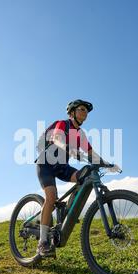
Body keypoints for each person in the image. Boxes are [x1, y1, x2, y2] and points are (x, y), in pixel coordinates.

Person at [35, 99, 120, 257]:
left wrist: (108, 164)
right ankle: (42, 243)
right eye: (82, 109)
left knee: (86, 174)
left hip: (62, 167)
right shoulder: (62, 124)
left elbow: (91, 154)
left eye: (86, 111)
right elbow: (57, 139)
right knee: (51, 196)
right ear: (72, 112)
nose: (85, 113)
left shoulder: (80, 134)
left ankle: (69, 209)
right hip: (46, 164)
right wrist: (70, 150)